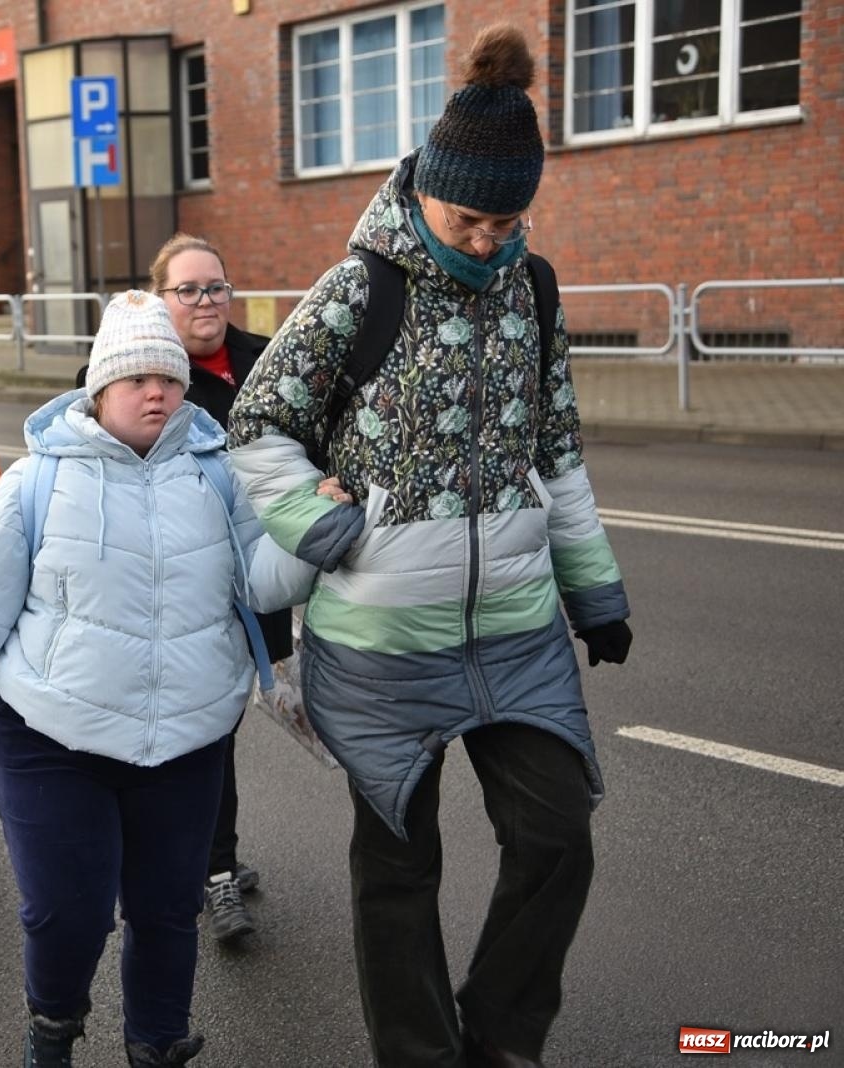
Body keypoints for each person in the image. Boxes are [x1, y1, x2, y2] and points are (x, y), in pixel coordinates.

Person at [226, 25, 632, 1068]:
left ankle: (500, 1036)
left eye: (509, 218)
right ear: (424, 193)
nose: (493, 238)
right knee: (398, 866)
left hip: (513, 627)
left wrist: (594, 592)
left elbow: (556, 448)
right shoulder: (361, 287)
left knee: (556, 838)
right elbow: (259, 421)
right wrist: (328, 527)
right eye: (472, 217)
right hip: (378, 637)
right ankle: (418, 1052)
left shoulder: (532, 291)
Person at [0, 291, 324, 1067]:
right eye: (136, 379)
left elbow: (263, 584)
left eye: (168, 376)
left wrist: (322, 527)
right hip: (56, 736)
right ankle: (52, 1029)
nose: (156, 390)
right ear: (99, 391)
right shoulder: (36, 485)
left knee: (167, 911)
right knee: (68, 911)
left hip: (187, 738)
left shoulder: (219, 478)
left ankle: (157, 1044)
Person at [85, 233, 296, 942]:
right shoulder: (145, 380)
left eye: (216, 286)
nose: (206, 302)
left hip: (266, 566)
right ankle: (213, 873)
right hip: (189, 579)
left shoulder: (267, 358)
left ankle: (206, 858)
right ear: (159, 298)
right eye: (188, 290)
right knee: (207, 733)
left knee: (233, 713)